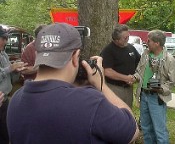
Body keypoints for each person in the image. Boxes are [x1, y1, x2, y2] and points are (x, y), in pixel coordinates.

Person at [7, 23, 139, 144]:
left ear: (37, 55)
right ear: (76, 57)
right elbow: (132, 131)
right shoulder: (89, 101)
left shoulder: (16, 100)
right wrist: (101, 85)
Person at [132, 30, 175, 144]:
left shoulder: (169, 59)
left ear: (157, 43)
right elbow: (139, 72)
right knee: (146, 128)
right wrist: (134, 78)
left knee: (159, 131)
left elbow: (172, 82)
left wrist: (160, 88)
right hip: (144, 95)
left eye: (149, 40)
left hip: (156, 98)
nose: (147, 42)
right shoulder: (145, 54)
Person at [100, 24, 141, 108]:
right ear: (116, 39)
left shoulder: (131, 48)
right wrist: (125, 78)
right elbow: (107, 71)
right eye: (125, 38)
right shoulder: (108, 51)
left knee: (127, 112)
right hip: (114, 88)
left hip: (128, 88)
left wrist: (135, 77)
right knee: (115, 112)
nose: (127, 39)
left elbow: (140, 63)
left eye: (128, 37)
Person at [0, 26, 27, 144]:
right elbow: (5, 71)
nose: (5, 42)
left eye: (6, 39)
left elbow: (10, 78)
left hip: (4, 99)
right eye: (3, 39)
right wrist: (10, 68)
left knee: (6, 131)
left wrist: (17, 71)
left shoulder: (4, 55)